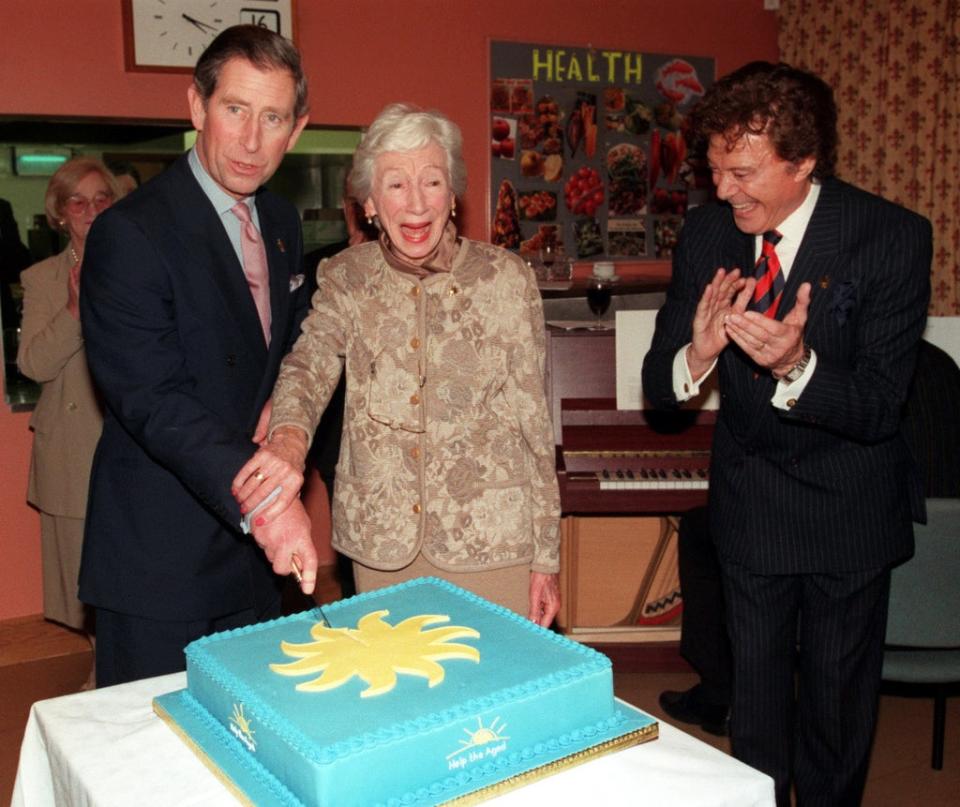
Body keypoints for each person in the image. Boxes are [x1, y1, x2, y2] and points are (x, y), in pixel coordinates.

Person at [641, 62, 931, 806]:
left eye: (742, 172)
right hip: (754, 508)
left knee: (836, 715)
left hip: (848, 511)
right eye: (713, 169)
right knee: (758, 715)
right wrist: (696, 356)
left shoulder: (890, 237)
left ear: (803, 162)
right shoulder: (708, 233)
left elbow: (877, 406)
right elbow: (658, 391)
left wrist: (796, 364)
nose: (722, 190)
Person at [232, 103, 562, 626]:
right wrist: (289, 439)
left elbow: (533, 421)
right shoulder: (345, 277)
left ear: (452, 194)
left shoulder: (506, 278)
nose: (416, 204)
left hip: (495, 537)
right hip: (382, 540)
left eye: (431, 182)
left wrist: (547, 552)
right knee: (399, 693)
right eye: (395, 185)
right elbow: (308, 363)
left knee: (494, 692)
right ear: (367, 202)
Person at [78, 24, 315, 687]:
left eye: (271, 118)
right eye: (234, 109)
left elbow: (291, 346)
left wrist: (289, 409)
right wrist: (267, 502)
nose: (250, 139)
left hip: (253, 571)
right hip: (163, 562)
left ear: (295, 131)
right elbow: (152, 397)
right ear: (196, 107)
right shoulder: (130, 233)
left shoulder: (283, 225)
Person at [16, 158, 119, 679]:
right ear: (60, 214)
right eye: (78, 202)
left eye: (102, 198)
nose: (91, 210)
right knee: (87, 576)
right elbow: (32, 363)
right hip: (74, 446)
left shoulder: (141, 264)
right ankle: (105, 670)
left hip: (135, 443)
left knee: (138, 569)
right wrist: (75, 310)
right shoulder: (41, 278)